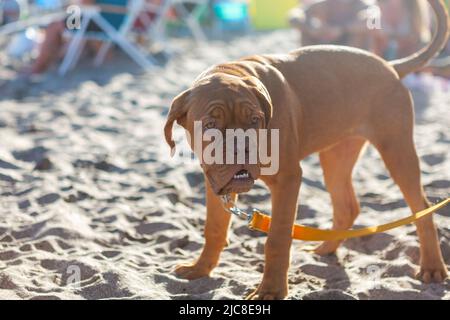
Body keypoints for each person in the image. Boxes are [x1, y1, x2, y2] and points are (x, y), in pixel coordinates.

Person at [288, 0, 377, 50]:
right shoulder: (322, 4)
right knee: (305, 32)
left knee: (361, 34)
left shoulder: (362, 5)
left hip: (350, 47)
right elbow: (294, 16)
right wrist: (311, 28)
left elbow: (374, 23)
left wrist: (342, 29)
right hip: (322, 45)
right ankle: (307, 63)